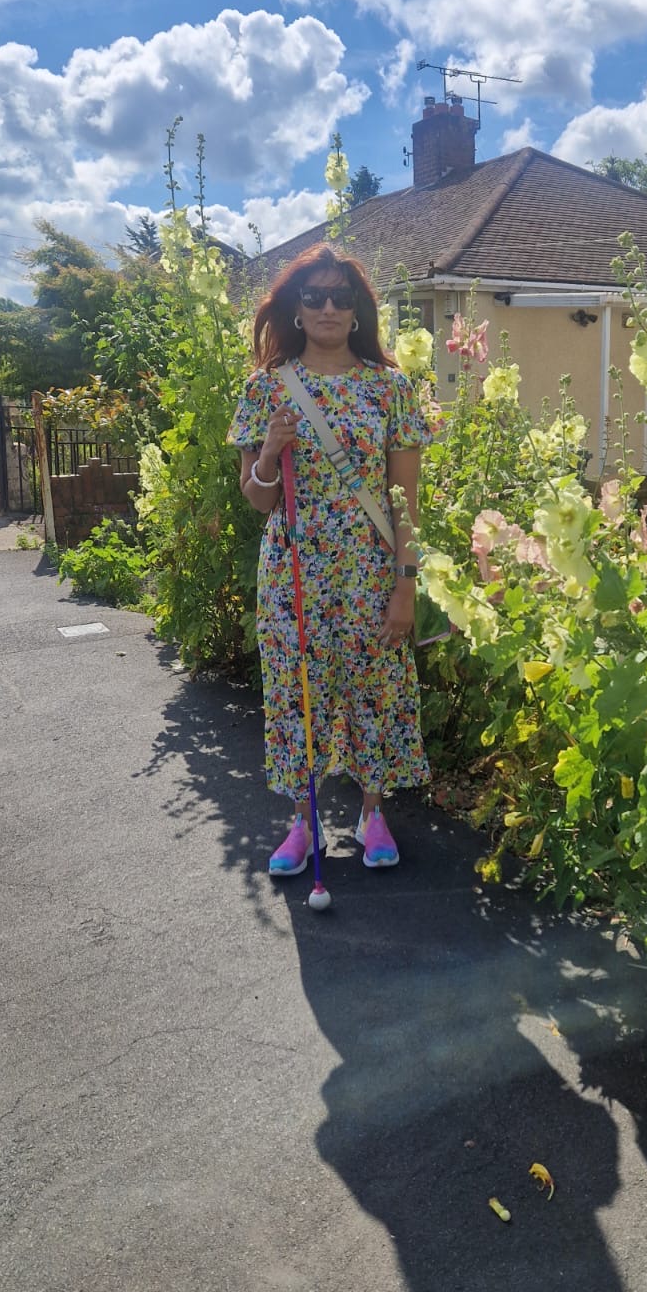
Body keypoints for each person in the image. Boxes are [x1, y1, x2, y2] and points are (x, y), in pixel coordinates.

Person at [228, 242, 430, 875]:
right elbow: (257, 500)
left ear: (359, 312)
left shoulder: (390, 389)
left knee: (378, 689)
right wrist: (268, 453)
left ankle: (372, 812)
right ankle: (304, 819)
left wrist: (405, 587)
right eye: (313, 295)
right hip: (293, 573)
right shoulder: (267, 389)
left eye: (342, 297)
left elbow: (406, 503)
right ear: (294, 308)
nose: (328, 307)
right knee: (298, 691)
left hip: (371, 572)